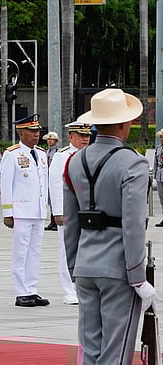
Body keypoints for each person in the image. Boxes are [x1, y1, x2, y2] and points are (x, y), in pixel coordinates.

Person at [63, 88, 156, 364]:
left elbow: (71, 222)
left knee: (91, 348)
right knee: (116, 352)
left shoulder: (74, 161)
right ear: (123, 124)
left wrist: (73, 266)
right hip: (118, 268)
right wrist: (138, 276)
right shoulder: (133, 163)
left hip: (85, 264)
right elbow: (133, 224)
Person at [0, 113, 50, 307]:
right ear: (21, 133)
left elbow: (42, 183)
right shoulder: (12, 154)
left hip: (37, 210)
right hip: (21, 210)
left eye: (38, 130)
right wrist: (8, 213)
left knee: (35, 252)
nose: (36, 134)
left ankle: (32, 289)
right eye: (32, 130)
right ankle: (21, 292)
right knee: (20, 252)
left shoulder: (42, 154)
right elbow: (6, 184)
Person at [48, 121, 91, 306]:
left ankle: (83, 288)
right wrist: (58, 212)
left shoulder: (91, 154)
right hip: (68, 211)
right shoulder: (62, 156)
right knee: (67, 250)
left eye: (87, 136)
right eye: (81, 136)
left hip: (88, 210)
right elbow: (56, 184)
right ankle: (69, 290)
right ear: (71, 136)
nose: (85, 139)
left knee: (86, 249)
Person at [43, 131, 59, 231]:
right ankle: (52, 221)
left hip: (54, 179)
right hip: (46, 179)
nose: (49, 141)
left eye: (51, 139)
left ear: (56, 141)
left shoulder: (58, 152)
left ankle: (55, 222)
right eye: (48, 139)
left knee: (54, 200)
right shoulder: (45, 152)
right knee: (49, 200)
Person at [154, 128, 163, 227]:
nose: (161, 139)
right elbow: (156, 162)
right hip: (160, 174)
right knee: (161, 198)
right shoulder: (159, 148)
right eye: (160, 137)